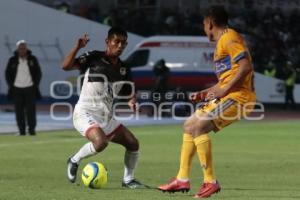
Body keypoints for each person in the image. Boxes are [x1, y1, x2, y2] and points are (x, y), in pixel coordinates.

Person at [158, 6, 256, 198]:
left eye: (204, 25)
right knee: (189, 125)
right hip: (229, 95)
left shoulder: (229, 38)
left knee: (199, 127)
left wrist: (225, 90)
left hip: (239, 97)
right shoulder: (223, 42)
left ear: (210, 23)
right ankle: (182, 179)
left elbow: (246, 67)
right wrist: (204, 93)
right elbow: (225, 81)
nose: (204, 29)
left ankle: (210, 181)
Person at [62, 27, 148, 188]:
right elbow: (66, 66)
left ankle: (128, 180)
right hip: (85, 112)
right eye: (117, 41)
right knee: (101, 142)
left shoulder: (125, 68)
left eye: (124, 43)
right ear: (108, 42)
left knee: (133, 143)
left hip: (105, 117)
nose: (120, 45)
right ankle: (74, 160)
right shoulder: (94, 57)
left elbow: (129, 93)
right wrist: (78, 47)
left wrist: (132, 101)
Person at [5, 40, 42, 136]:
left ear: (26, 49)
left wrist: (35, 85)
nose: (22, 50)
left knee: (31, 111)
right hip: (16, 89)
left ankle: (32, 130)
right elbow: (7, 74)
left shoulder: (32, 59)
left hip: (30, 88)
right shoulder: (12, 60)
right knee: (19, 111)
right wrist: (11, 86)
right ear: (17, 49)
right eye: (20, 48)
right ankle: (21, 131)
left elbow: (38, 73)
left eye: (24, 48)